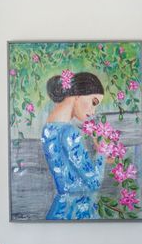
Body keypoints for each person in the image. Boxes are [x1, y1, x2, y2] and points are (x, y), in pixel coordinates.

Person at [41, 71, 106, 219]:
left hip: (62, 208)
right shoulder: (69, 132)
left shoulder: (48, 128)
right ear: (77, 95)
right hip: (78, 210)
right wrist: (102, 152)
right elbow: (94, 183)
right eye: (93, 102)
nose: (93, 111)